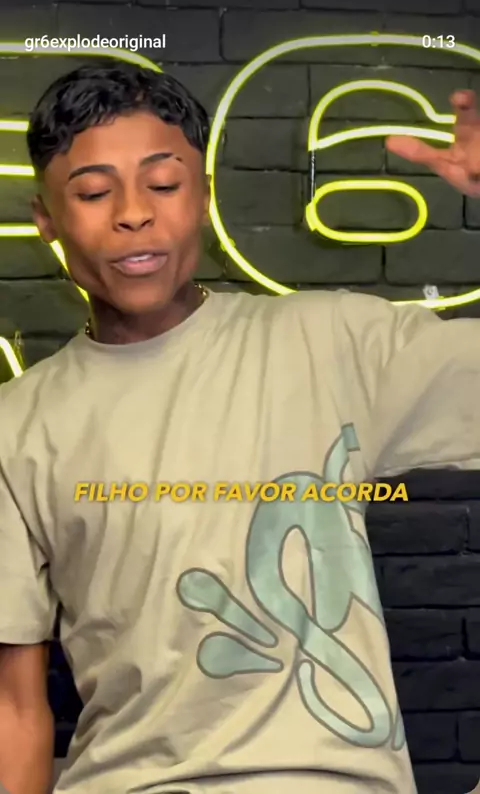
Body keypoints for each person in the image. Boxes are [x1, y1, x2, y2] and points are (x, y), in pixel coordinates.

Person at [0, 61, 480, 794]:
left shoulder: (334, 343)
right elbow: (14, 711)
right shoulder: (18, 425)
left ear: (203, 196)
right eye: (94, 193)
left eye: (164, 184)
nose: (133, 213)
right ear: (46, 220)